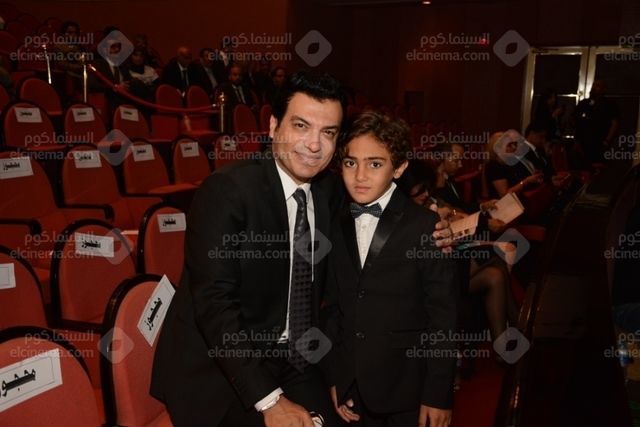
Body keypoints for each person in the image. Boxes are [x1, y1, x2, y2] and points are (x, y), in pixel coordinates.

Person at [322, 111, 458, 427]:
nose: (360, 176)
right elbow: (335, 309)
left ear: (399, 168)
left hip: (408, 388)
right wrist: (336, 375)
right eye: (350, 163)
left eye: (375, 164)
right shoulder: (336, 222)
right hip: (353, 387)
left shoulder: (425, 226)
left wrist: (438, 394)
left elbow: (443, 317)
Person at [573, 78, 619, 165]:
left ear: (603, 89)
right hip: (582, 145)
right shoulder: (584, 103)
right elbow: (576, 121)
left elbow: (614, 123)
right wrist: (576, 140)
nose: (594, 88)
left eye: (597, 86)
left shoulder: (609, 104)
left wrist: (607, 141)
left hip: (599, 144)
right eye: (593, 85)